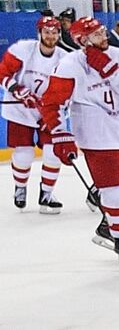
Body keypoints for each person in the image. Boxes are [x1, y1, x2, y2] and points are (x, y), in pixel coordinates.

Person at [40, 17, 119, 264]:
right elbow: (52, 103)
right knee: (114, 189)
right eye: (97, 34)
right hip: (98, 135)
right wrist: (61, 133)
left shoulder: (117, 54)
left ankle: (109, 225)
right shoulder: (70, 64)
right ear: (82, 41)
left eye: (103, 31)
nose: (104, 36)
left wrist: (111, 70)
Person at [1, 15, 66, 212]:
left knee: (52, 153)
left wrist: (53, 114)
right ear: (39, 33)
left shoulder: (64, 58)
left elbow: (66, 91)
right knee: (24, 154)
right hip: (19, 110)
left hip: (48, 111)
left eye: (54, 32)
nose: (51, 36)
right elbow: (3, 72)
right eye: (47, 32)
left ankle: (46, 193)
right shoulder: (22, 49)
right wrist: (17, 90)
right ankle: (20, 188)